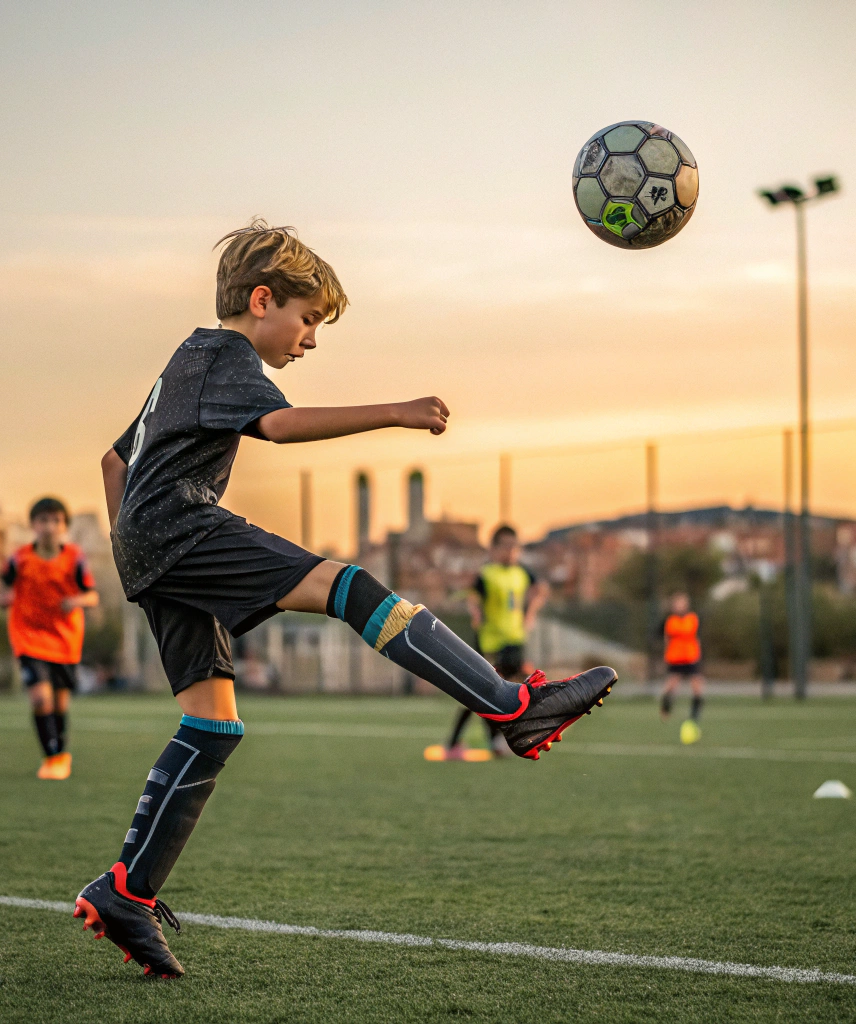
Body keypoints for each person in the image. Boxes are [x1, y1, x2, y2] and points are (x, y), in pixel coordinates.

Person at [74, 220, 617, 978]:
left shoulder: (185, 360)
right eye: (307, 321)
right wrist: (395, 411)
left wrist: (132, 550)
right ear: (262, 300)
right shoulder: (224, 353)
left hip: (151, 545)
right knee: (346, 584)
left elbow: (112, 458)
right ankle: (510, 708)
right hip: (181, 530)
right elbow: (282, 426)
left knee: (213, 723)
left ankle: (127, 891)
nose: (311, 341)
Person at [0, 497, 99, 780]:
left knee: (59, 703)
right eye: (43, 520)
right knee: (41, 698)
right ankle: (52, 758)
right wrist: (2, 598)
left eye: (56, 520)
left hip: (64, 639)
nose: (49, 526)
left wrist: (77, 600)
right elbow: (0, 587)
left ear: (64, 526)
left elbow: (93, 595)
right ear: (33, 524)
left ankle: (60, 753)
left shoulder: (75, 558)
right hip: (28, 636)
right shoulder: (19, 559)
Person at [441, 524, 548, 759]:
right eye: (506, 547)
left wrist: (530, 614)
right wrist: (476, 613)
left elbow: (540, 589)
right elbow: (473, 596)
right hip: (490, 643)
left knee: (510, 694)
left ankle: (498, 741)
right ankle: (456, 743)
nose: (511, 552)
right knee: (480, 693)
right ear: (495, 549)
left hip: (515, 640)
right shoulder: (487, 574)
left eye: (514, 547)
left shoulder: (522, 573)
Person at [658, 592, 705, 742]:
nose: (680, 606)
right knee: (671, 685)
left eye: (682, 603)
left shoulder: (692, 618)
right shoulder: (671, 621)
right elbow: (668, 638)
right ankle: (665, 709)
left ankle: (695, 716)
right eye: (677, 603)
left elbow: (693, 636)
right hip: (676, 658)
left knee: (697, 687)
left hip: (691, 657)